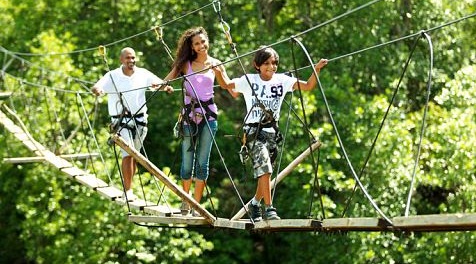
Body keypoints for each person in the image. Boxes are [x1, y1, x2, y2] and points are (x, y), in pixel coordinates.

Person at [212, 45, 328, 221]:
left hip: (272, 133)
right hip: (253, 131)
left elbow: (308, 86)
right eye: (266, 63)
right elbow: (226, 85)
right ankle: (269, 208)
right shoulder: (249, 80)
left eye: (274, 63)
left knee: (266, 173)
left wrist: (316, 69)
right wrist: (218, 72)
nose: (271, 67)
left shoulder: (282, 80)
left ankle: (255, 203)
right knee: (265, 168)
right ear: (257, 65)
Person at [164, 27, 236, 216]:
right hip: (189, 116)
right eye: (197, 43)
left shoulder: (216, 64)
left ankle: (196, 204)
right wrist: (162, 86)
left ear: (207, 42)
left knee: (202, 163)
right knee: (187, 161)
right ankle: (185, 201)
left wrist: (250, 85)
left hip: (209, 116)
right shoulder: (185, 64)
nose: (201, 45)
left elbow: (229, 87)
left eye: (203, 42)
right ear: (192, 47)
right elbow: (166, 80)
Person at [92, 47, 173, 201]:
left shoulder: (143, 73)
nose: (131, 61)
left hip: (141, 121)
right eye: (128, 58)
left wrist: (166, 87)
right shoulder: (112, 75)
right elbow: (97, 86)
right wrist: (98, 91)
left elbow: (157, 84)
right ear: (121, 60)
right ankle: (127, 190)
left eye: (133, 58)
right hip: (121, 122)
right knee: (128, 153)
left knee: (134, 156)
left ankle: (130, 188)